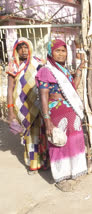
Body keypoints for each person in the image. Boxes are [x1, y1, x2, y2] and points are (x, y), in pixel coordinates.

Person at [36, 39, 87, 191]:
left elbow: (72, 89)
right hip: (55, 112)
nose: (61, 54)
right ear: (51, 52)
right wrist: (47, 120)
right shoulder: (46, 70)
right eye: (57, 50)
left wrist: (78, 71)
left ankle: (75, 170)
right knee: (59, 142)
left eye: (63, 50)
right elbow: (43, 96)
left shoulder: (64, 70)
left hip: (71, 111)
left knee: (74, 139)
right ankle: (61, 176)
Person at [6, 37, 47, 174]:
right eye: (20, 47)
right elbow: (10, 89)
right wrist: (10, 110)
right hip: (22, 106)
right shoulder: (14, 65)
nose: (23, 50)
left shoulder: (38, 62)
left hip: (39, 102)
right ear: (16, 49)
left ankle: (44, 161)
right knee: (30, 134)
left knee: (42, 132)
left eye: (25, 47)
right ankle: (33, 163)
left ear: (30, 48)